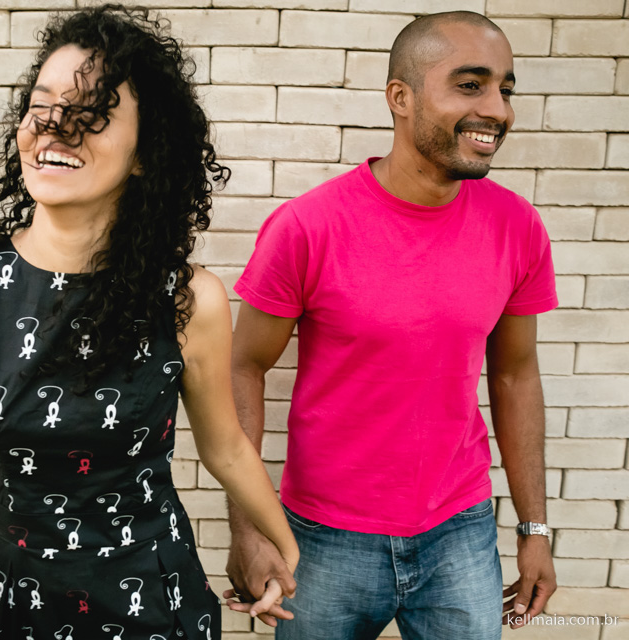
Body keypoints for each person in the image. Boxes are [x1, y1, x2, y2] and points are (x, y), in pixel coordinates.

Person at [0, 5, 299, 639]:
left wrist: (284, 549)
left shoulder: (190, 300)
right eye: (42, 106)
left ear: (146, 153)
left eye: (90, 114)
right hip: (15, 606)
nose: (56, 128)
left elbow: (226, 446)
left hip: (156, 602)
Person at [224, 10, 557, 640]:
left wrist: (534, 529)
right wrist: (249, 527)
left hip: (459, 531)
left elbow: (515, 374)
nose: (500, 110)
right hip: (323, 539)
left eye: (506, 89)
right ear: (399, 98)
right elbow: (242, 365)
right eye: (470, 84)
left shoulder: (517, 227)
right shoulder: (308, 227)